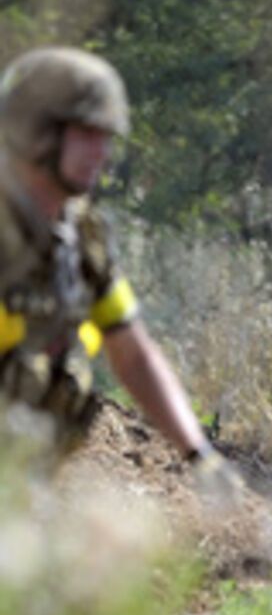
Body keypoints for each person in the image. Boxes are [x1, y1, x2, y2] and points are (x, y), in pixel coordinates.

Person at [0, 45, 234, 485]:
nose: (102, 152)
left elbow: (132, 354)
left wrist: (200, 455)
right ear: (37, 132)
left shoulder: (80, 239)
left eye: (106, 137)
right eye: (88, 134)